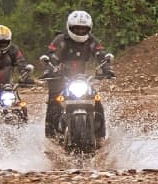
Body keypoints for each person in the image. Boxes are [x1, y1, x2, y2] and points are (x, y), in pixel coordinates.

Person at [40, 10, 114, 138]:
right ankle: (51, 135)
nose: (80, 31)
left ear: (89, 29)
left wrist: (106, 68)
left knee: (96, 101)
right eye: (77, 28)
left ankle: (100, 135)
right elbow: (51, 55)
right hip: (60, 77)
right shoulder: (60, 39)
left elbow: (100, 53)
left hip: (82, 78)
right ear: (69, 27)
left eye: (83, 29)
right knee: (54, 101)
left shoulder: (91, 40)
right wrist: (50, 68)